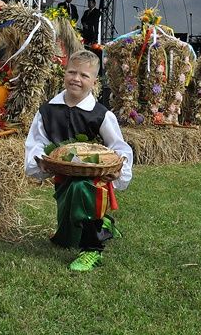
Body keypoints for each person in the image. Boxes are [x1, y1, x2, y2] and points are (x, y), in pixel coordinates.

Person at [24, 50, 133, 271]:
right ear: (64, 73)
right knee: (67, 239)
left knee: (81, 188)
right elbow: (36, 142)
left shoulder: (101, 114)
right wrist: (40, 161)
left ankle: (92, 250)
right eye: (72, 72)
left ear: (94, 82)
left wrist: (119, 168)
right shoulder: (47, 111)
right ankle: (104, 225)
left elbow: (119, 146)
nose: (76, 78)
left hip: (94, 180)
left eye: (84, 75)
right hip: (63, 176)